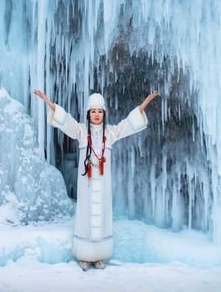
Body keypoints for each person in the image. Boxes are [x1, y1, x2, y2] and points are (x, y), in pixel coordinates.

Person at [33, 89, 160, 271]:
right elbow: (65, 120)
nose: (97, 115)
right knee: (86, 216)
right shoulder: (82, 131)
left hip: (103, 184)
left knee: (102, 216)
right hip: (87, 184)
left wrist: (145, 103)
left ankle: (99, 255)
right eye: (93, 111)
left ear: (104, 114)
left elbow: (128, 124)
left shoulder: (110, 133)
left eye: (100, 111)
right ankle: (84, 256)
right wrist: (49, 102)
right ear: (88, 114)